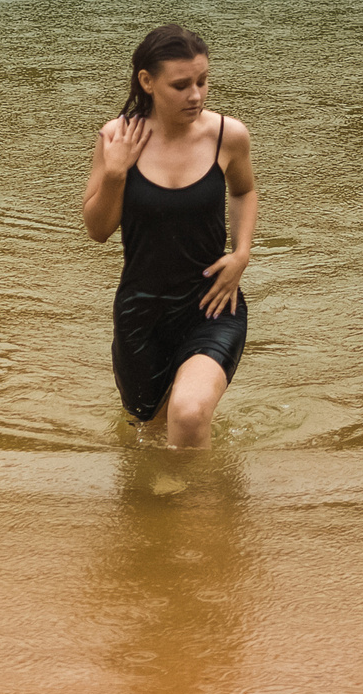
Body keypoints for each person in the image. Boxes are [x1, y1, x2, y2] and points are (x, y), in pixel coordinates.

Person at [82, 23, 260, 448]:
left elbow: (244, 190)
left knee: (190, 412)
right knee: (148, 439)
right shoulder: (115, 138)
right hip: (141, 315)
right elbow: (98, 230)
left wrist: (241, 254)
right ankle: (162, 510)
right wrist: (114, 173)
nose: (196, 95)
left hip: (212, 304)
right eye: (181, 85)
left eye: (202, 81)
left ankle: (198, 512)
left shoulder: (227, 136)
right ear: (147, 81)